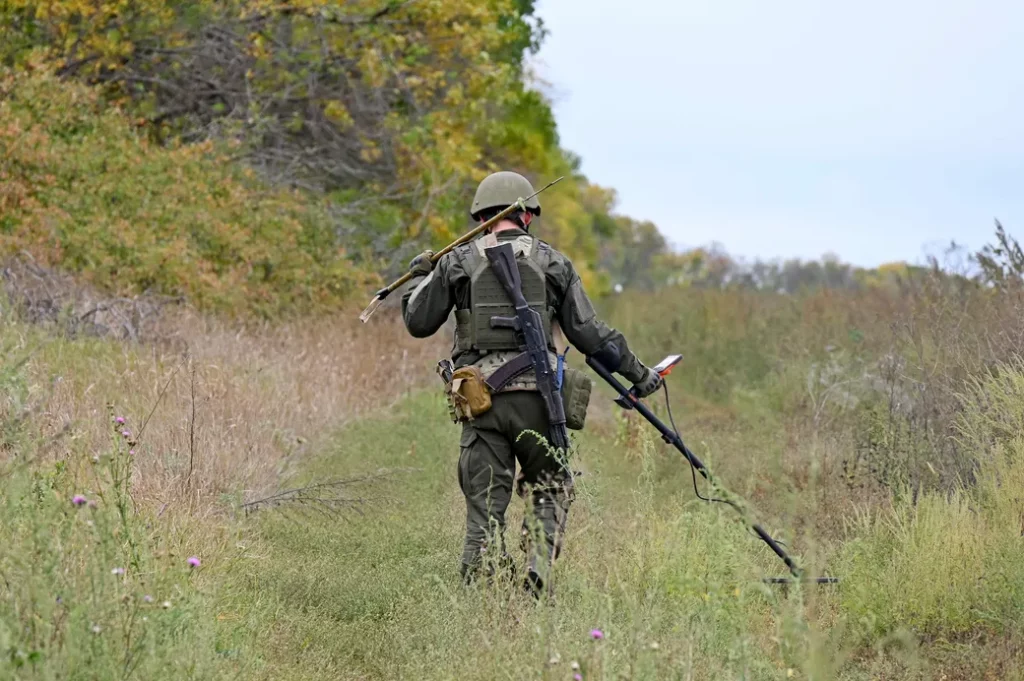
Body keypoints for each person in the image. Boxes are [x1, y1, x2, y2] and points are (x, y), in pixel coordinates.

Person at [401, 171, 661, 594]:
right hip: (541, 400)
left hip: (481, 402)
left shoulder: (457, 261)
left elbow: (418, 322)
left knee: (484, 511)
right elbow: (590, 334)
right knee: (550, 487)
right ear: (527, 215)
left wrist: (418, 276)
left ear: (483, 218)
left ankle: (482, 595)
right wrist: (640, 374)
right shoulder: (553, 262)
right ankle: (539, 563)